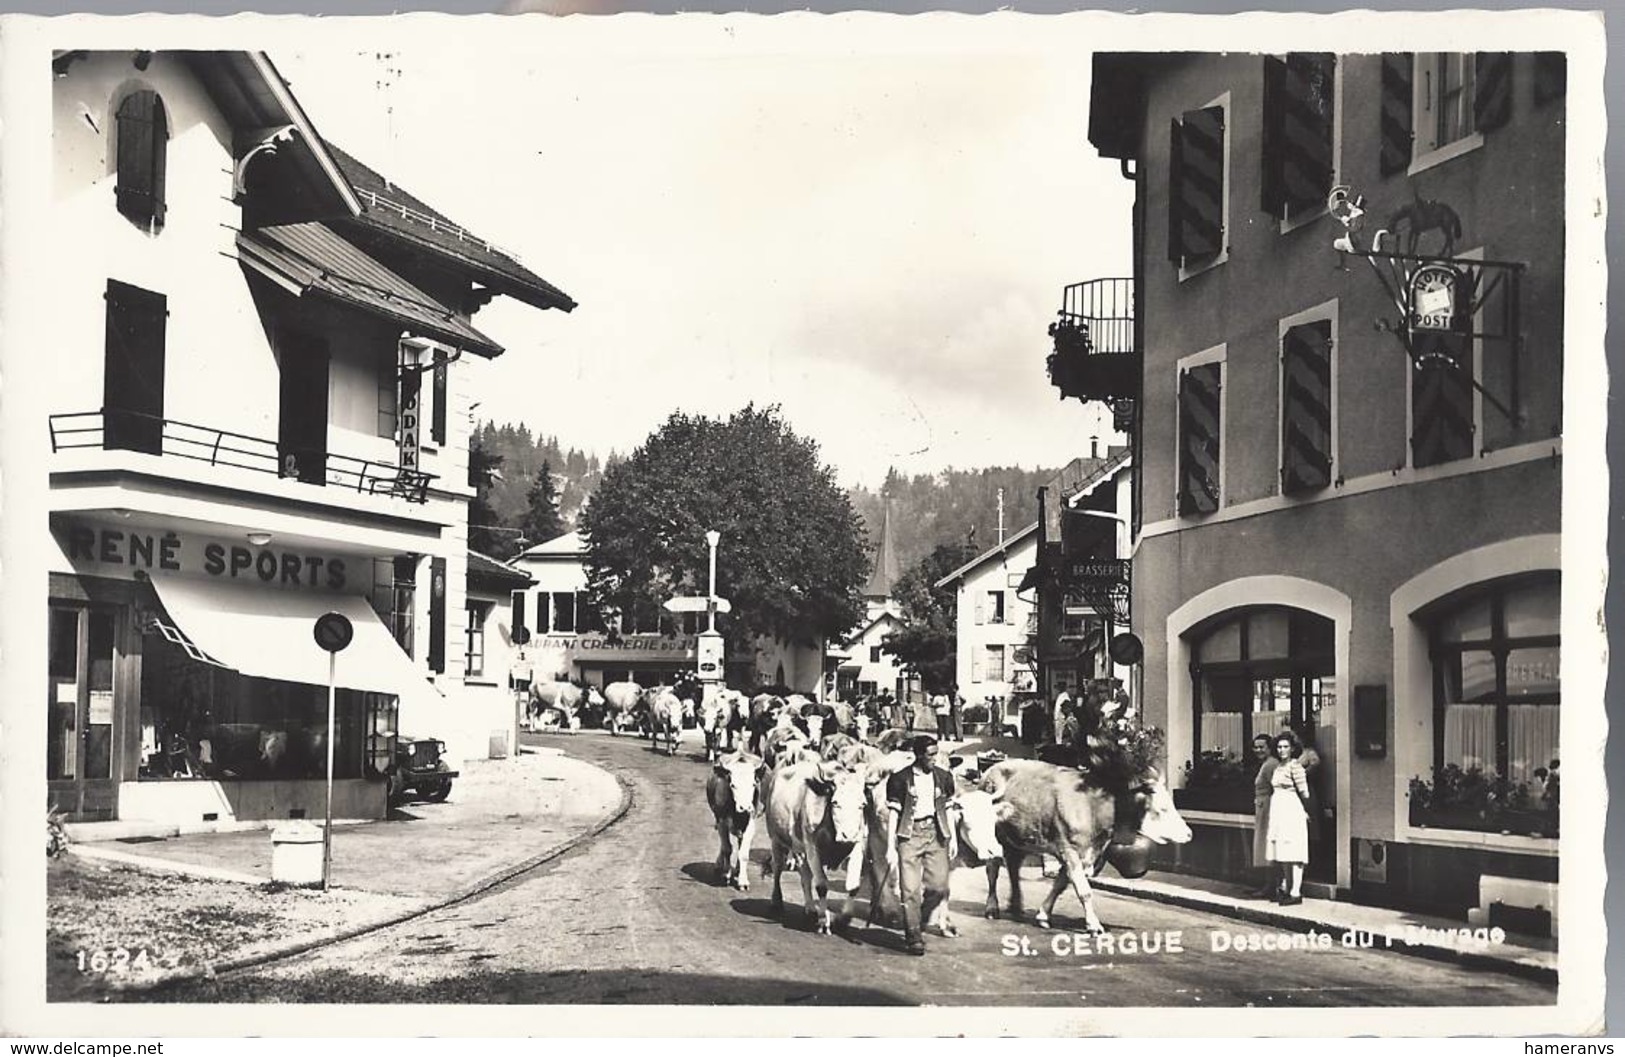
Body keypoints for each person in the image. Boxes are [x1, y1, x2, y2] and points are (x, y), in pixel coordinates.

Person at [885, 732, 957, 955]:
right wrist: (890, 846)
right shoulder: (899, 779)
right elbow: (894, 814)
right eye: (930, 755)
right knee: (910, 889)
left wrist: (952, 837)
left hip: (936, 834)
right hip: (910, 835)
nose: (935, 759)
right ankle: (914, 936)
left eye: (936, 754)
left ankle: (920, 918)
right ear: (918, 755)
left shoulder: (944, 777)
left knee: (939, 886)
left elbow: (948, 808)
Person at [1265, 730, 1313, 905]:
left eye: (1285, 747)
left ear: (1293, 749)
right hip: (1278, 811)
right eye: (1279, 747)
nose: (1282, 750)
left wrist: (1304, 811)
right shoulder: (1278, 767)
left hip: (1291, 810)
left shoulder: (1295, 767)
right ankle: (1286, 888)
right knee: (1284, 852)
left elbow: (1305, 793)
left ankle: (1296, 892)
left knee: (1295, 851)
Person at [1245, 733, 1279, 898]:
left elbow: (1278, 788)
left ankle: (1271, 886)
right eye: (1256, 747)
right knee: (1263, 847)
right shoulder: (1265, 764)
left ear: (1269, 748)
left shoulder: (1271, 764)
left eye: (1262, 747)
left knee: (1268, 846)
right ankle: (1267, 884)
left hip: (1269, 809)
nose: (1258, 750)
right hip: (1263, 808)